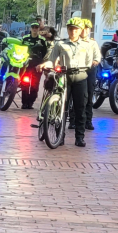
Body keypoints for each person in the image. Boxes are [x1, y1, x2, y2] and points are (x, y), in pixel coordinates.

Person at [45, 17, 99, 147]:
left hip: (80, 76)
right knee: (62, 106)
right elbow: (52, 60)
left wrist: (90, 64)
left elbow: (90, 61)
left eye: (75, 29)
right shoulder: (60, 44)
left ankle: (79, 137)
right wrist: (45, 65)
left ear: (80, 30)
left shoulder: (88, 45)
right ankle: (60, 136)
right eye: (70, 29)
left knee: (80, 108)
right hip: (64, 76)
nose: (73, 32)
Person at [77, 18, 101, 131]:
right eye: (83, 28)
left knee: (89, 95)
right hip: (76, 70)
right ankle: (73, 120)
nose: (84, 31)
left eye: (87, 29)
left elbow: (97, 56)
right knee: (75, 96)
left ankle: (88, 120)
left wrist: (95, 61)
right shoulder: (74, 41)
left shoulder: (92, 42)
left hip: (90, 70)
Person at [19, 20, 49, 110]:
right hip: (26, 64)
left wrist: (42, 63)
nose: (35, 29)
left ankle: (31, 102)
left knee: (35, 85)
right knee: (24, 83)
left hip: (37, 64)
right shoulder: (25, 38)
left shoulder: (42, 40)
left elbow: (45, 52)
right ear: (30, 29)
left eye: (36, 28)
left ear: (38, 29)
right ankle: (24, 103)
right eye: (33, 28)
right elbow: (20, 49)